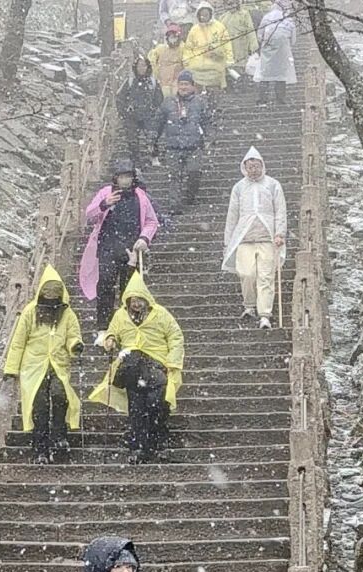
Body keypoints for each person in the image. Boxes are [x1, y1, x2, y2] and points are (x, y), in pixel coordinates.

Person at [90, 273, 184, 464]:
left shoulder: (161, 314)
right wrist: (110, 339)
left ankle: (157, 441)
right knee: (137, 407)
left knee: (156, 403)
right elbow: (112, 332)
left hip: (156, 364)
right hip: (131, 366)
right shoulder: (120, 315)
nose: (136, 304)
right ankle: (140, 445)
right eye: (133, 300)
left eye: (140, 300)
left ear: (146, 299)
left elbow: (175, 336)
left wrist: (172, 361)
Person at [3, 265, 84, 463]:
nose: (51, 296)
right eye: (47, 291)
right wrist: (11, 369)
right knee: (39, 405)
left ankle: (59, 436)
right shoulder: (30, 312)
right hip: (34, 366)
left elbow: (73, 335)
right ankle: (39, 447)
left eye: (55, 292)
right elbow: (18, 342)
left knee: (60, 396)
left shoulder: (67, 313)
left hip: (58, 364)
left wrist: (75, 346)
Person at [79, 160, 160, 344]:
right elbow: (89, 213)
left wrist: (144, 238)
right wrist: (104, 204)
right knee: (105, 286)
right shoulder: (106, 193)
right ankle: (103, 328)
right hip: (107, 247)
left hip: (130, 250)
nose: (126, 181)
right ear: (116, 178)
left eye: (129, 177)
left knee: (130, 290)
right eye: (122, 177)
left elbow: (151, 221)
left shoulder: (140, 196)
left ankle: (129, 327)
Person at [222, 147, 288, 329]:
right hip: (244, 238)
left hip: (267, 238)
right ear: (244, 167)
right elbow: (232, 215)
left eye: (256, 166)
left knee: (266, 276)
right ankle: (249, 305)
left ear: (262, 166)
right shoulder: (239, 187)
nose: (253, 170)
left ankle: (265, 314)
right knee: (246, 274)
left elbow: (280, 211)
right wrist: (228, 241)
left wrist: (280, 233)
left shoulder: (273, 184)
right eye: (250, 166)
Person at [152, 70, 210, 214]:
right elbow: (157, 122)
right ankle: (174, 205)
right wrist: (153, 138)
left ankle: (190, 196)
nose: (183, 87)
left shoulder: (200, 102)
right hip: (173, 147)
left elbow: (208, 122)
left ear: (192, 86)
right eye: (181, 84)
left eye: (186, 84)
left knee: (194, 172)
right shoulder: (168, 102)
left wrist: (210, 138)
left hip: (194, 146)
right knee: (174, 176)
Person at [183, 1, 233, 91]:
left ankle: (213, 100)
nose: (203, 17)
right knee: (198, 90)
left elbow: (226, 44)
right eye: (201, 15)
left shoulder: (219, 27)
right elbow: (188, 48)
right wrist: (186, 60)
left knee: (214, 90)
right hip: (198, 67)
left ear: (210, 14)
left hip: (215, 65)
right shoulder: (194, 30)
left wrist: (229, 59)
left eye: (206, 15)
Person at [256, 0, 297, 105]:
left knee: (264, 75)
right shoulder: (288, 19)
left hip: (267, 50)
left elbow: (259, 35)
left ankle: (262, 99)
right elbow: (293, 39)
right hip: (283, 51)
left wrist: (265, 44)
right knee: (281, 76)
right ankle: (280, 98)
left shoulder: (267, 17)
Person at [218, 0, 258, 89]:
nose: (231, 6)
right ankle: (232, 84)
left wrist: (253, 45)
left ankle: (242, 84)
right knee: (229, 65)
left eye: (233, 3)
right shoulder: (223, 17)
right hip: (228, 45)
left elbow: (250, 29)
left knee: (241, 65)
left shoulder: (244, 14)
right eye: (228, 4)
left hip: (241, 44)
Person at [148, 23, 187, 98]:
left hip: (177, 83)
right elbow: (151, 58)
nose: (172, 39)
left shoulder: (183, 49)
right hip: (163, 83)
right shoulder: (161, 49)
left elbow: (187, 62)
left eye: (174, 36)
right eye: (170, 36)